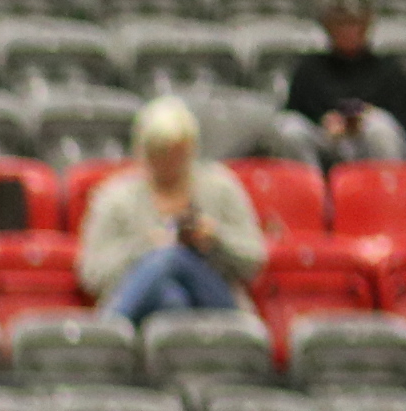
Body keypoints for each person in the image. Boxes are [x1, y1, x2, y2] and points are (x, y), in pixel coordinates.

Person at [77, 97, 267, 322]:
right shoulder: (115, 197)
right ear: (142, 151)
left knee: (173, 257)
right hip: (147, 307)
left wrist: (215, 239)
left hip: (217, 303)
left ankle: (109, 328)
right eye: (160, 154)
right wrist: (145, 247)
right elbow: (92, 274)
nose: (169, 163)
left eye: (177, 154)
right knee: (172, 298)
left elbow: (254, 260)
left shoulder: (221, 187)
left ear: (191, 149)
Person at [275, 0, 406, 168]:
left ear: (367, 25)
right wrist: (325, 122)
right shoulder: (309, 69)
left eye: (354, 23)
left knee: (379, 127)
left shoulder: (389, 69)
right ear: (327, 27)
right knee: (290, 128)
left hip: (374, 144)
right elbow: (294, 112)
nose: (348, 30)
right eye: (340, 23)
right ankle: (308, 185)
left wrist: (364, 118)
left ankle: (385, 184)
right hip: (327, 144)